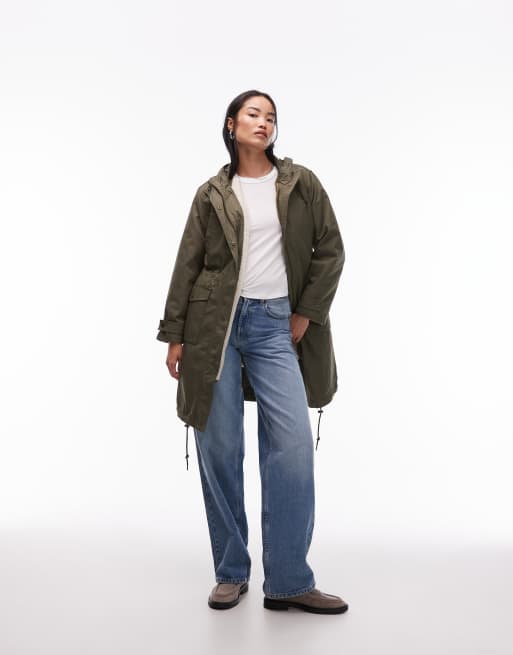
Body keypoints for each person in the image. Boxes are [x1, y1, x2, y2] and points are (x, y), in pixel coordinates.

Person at [156, 89, 348, 614]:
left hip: (275, 325)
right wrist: (175, 333)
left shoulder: (300, 183)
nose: (264, 123)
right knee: (220, 449)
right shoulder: (212, 193)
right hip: (213, 327)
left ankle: (288, 579)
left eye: (271, 117)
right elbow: (187, 264)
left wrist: (306, 311)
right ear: (231, 124)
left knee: (291, 448)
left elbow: (331, 249)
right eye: (253, 114)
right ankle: (231, 572)